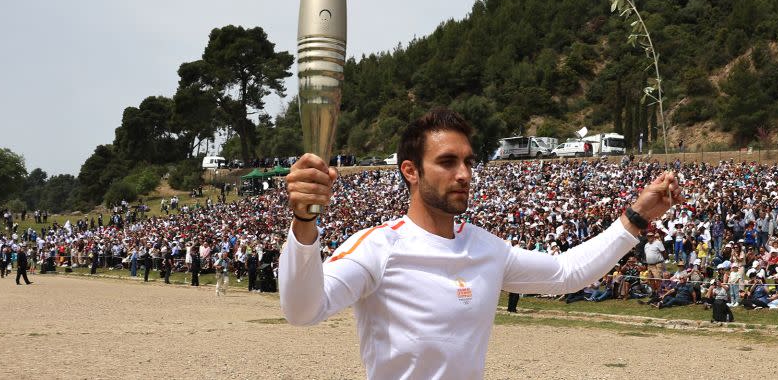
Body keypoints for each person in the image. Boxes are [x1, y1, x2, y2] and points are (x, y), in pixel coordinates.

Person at [279, 108, 684, 380]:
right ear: (411, 171)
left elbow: (567, 273)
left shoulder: (487, 249)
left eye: (469, 162)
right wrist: (303, 223)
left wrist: (637, 216)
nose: (464, 174)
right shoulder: (377, 247)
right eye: (447, 161)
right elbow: (302, 310)